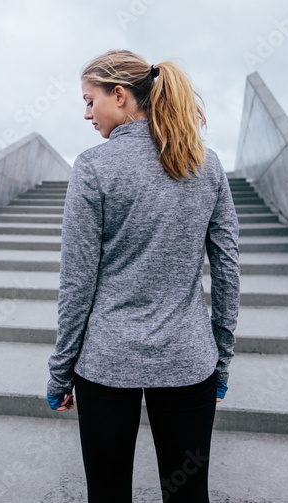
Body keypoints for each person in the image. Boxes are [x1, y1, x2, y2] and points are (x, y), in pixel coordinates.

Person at [45, 49, 241, 502]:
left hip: (106, 364)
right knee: (189, 493)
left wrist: (61, 373)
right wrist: (221, 359)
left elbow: (77, 282)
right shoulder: (205, 164)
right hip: (189, 359)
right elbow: (227, 269)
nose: (86, 113)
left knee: (108, 493)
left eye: (90, 100)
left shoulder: (94, 167)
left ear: (120, 95)